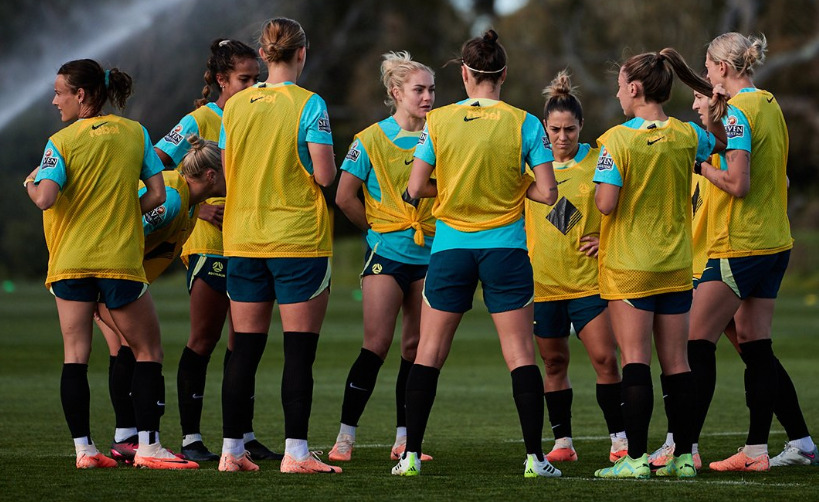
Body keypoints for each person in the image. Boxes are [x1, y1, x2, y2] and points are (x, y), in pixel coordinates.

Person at [391, 29, 561, 478]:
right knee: (521, 354)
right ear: (503, 74)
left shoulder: (440, 121)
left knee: (428, 351)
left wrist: (452, 187)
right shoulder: (525, 122)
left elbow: (414, 189)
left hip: (450, 249)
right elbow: (549, 193)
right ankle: (534, 459)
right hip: (505, 249)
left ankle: (409, 458)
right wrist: (516, 184)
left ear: (464, 74)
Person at [24, 59, 198, 469]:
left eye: (59, 92)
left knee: (75, 356)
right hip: (118, 259)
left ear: (80, 95)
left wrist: (30, 183)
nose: (54, 100)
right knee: (147, 350)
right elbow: (156, 194)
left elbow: (46, 198)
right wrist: (122, 214)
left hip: (70, 262)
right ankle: (150, 448)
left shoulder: (60, 142)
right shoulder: (134, 133)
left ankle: (85, 451)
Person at [591, 48, 726, 479]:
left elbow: (606, 204)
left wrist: (598, 189)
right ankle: (684, 457)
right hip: (675, 267)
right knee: (677, 364)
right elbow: (721, 141)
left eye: (619, 86)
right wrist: (712, 94)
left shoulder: (616, 140)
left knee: (635, 362)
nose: (617, 94)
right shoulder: (688, 135)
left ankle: (633, 461)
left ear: (634, 88)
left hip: (631, 268)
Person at [687, 32, 818, 472]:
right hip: (774, 242)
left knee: (695, 341)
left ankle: (682, 449)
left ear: (723, 68)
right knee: (755, 347)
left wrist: (702, 166)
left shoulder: (741, 111)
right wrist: (714, 123)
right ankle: (761, 451)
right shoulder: (770, 104)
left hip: (741, 244)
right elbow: (768, 173)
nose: (705, 75)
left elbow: (739, 183)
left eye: (707, 67)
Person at [217, 17, 339, 474]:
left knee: (243, 351)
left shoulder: (236, 105)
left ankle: (231, 452)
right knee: (298, 351)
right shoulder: (310, 104)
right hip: (296, 241)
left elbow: (230, 175)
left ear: (264, 55)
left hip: (244, 238)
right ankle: (297, 454)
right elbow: (325, 176)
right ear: (301, 54)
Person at [153, 38, 280, 463]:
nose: (252, 85)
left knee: (243, 343)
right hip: (209, 244)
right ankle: (190, 438)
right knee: (204, 338)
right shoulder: (199, 119)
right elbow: (152, 160)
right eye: (244, 79)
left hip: (251, 239)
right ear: (222, 80)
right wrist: (194, 201)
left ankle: (241, 435)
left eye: (256, 78)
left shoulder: (261, 110)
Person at [329, 51, 436, 463]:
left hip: (430, 252)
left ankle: (405, 440)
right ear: (396, 93)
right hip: (387, 254)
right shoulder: (370, 138)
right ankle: (345, 438)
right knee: (376, 344)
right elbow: (344, 196)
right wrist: (375, 231)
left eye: (431, 89)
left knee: (416, 348)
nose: (428, 97)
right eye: (419, 90)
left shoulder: (440, 134)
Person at [96, 136, 230, 462]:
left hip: (115, 279)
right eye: (230, 168)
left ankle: (128, 440)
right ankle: (145, 445)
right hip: (110, 276)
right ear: (211, 175)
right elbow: (121, 232)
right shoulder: (171, 199)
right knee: (147, 352)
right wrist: (104, 288)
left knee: (133, 351)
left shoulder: (190, 203)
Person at [525, 70, 627, 465]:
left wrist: (607, 241)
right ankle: (563, 442)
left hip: (591, 284)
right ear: (544, 127)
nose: (562, 136)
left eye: (570, 129)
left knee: (605, 358)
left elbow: (623, 205)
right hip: (544, 284)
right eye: (555, 129)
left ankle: (619, 439)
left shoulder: (599, 159)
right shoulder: (530, 167)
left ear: (581, 127)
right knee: (553, 363)